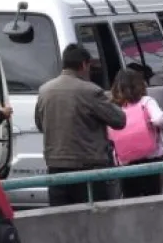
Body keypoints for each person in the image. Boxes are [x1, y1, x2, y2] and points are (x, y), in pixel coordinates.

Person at [35, 44, 126, 206]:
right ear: (84, 64)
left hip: (55, 168)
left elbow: (40, 124)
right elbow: (119, 121)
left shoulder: (44, 91)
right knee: (92, 222)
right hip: (88, 169)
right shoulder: (91, 91)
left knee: (61, 222)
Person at [108, 69, 163, 198]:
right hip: (151, 156)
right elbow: (159, 119)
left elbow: (108, 132)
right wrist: (158, 127)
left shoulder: (114, 106)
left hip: (126, 159)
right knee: (153, 196)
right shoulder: (146, 101)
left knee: (131, 197)